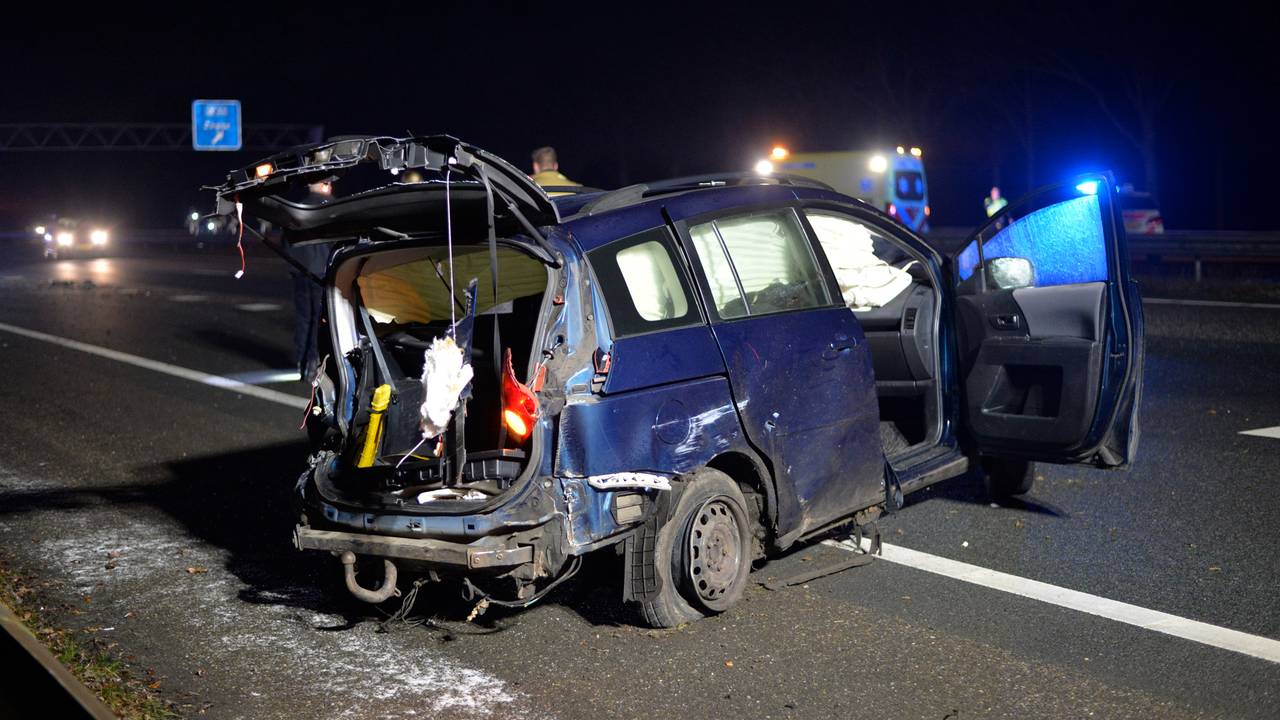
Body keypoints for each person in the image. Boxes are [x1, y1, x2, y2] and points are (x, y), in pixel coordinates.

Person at [288, 179, 332, 380]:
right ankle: (314, 362)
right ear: (324, 186)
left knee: (303, 317)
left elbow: (287, 240)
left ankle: (301, 361)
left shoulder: (297, 207)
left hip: (300, 270)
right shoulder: (332, 207)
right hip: (322, 272)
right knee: (320, 320)